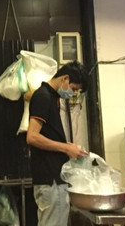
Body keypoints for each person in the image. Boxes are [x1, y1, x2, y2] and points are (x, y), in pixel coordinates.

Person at [25, 61, 89, 226]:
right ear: (65, 78)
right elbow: (32, 137)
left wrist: (68, 146)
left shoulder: (52, 98)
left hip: (52, 178)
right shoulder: (43, 97)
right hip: (50, 178)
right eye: (74, 88)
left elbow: (47, 135)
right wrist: (65, 148)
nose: (73, 93)